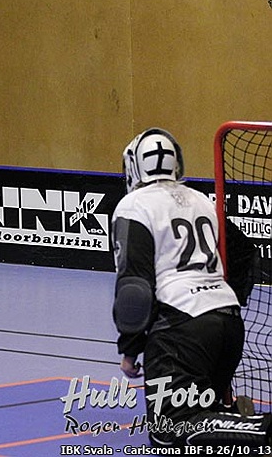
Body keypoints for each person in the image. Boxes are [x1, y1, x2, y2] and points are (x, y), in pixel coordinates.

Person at [111, 128, 270, 449]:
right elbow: (242, 252)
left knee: (168, 432)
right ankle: (239, 423)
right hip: (227, 323)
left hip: (180, 328)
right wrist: (223, 299)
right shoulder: (200, 200)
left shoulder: (133, 206)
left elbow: (134, 287)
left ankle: (261, 429)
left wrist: (130, 349)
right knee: (202, 420)